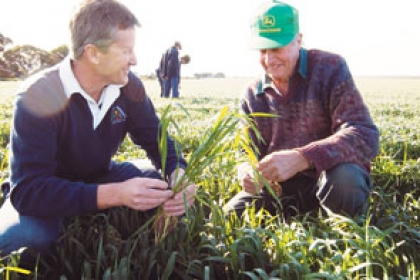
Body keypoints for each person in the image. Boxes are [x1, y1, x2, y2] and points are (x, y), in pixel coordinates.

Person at [0, 0, 196, 259]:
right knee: (25, 239)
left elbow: (156, 139)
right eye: (126, 51)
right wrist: (114, 194)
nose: (135, 60)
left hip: (99, 175)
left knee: (157, 184)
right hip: (46, 189)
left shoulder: (128, 86)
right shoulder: (38, 95)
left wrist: (177, 170)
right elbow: (29, 191)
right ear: (93, 53)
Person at [224, 0, 379, 220]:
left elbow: (364, 135)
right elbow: (244, 152)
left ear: (298, 40)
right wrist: (246, 172)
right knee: (231, 215)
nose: (269, 59)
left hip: (330, 176)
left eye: (277, 47)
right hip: (281, 187)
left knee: (346, 180)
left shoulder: (330, 68)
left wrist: (302, 158)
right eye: (262, 50)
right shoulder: (252, 94)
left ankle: (342, 230)